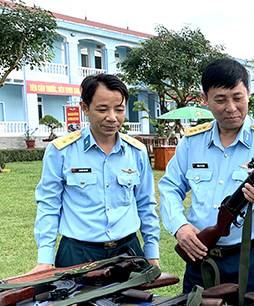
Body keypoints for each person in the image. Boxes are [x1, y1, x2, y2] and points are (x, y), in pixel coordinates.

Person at [159, 58, 254, 296]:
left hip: (252, 258)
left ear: (248, 93)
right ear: (205, 100)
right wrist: (180, 227)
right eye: (221, 99)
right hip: (200, 254)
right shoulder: (192, 142)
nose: (231, 108)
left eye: (238, 97)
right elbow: (170, 186)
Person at [32, 74, 160, 271]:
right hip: (78, 253)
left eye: (119, 109)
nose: (112, 117)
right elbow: (49, 204)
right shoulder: (61, 151)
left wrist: (151, 252)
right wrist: (44, 259)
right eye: (102, 109)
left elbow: (146, 204)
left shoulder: (137, 151)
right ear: (85, 108)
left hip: (128, 252)